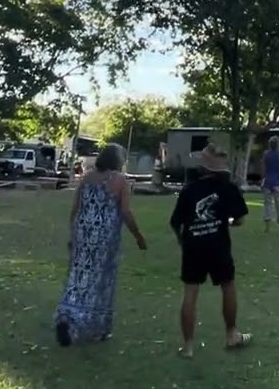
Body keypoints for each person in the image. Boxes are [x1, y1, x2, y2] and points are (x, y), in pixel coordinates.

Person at [54, 143, 147, 347]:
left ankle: (66, 317)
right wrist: (138, 235)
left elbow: (75, 208)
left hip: (83, 232)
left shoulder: (87, 177)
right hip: (105, 236)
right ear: (117, 160)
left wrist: (73, 233)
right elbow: (125, 211)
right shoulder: (120, 181)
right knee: (102, 281)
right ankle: (97, 327)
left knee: (78, 275)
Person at [169, 143, 251, 358]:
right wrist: (226, 222)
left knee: (190, 292)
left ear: (202, 167)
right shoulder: (229, 188)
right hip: (218, 245)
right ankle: (232, 334)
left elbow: (175, 222)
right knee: (228, 286)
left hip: (193, 246)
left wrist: (182, 240)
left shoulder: (189, 190)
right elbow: (240, 219)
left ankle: (188, 347)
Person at [260, 135, 279, 234]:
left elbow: (263, 169)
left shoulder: (266, 154)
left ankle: (267, 228)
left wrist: (262, 181)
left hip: (268, 182)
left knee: (267, 205)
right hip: (278, 182)